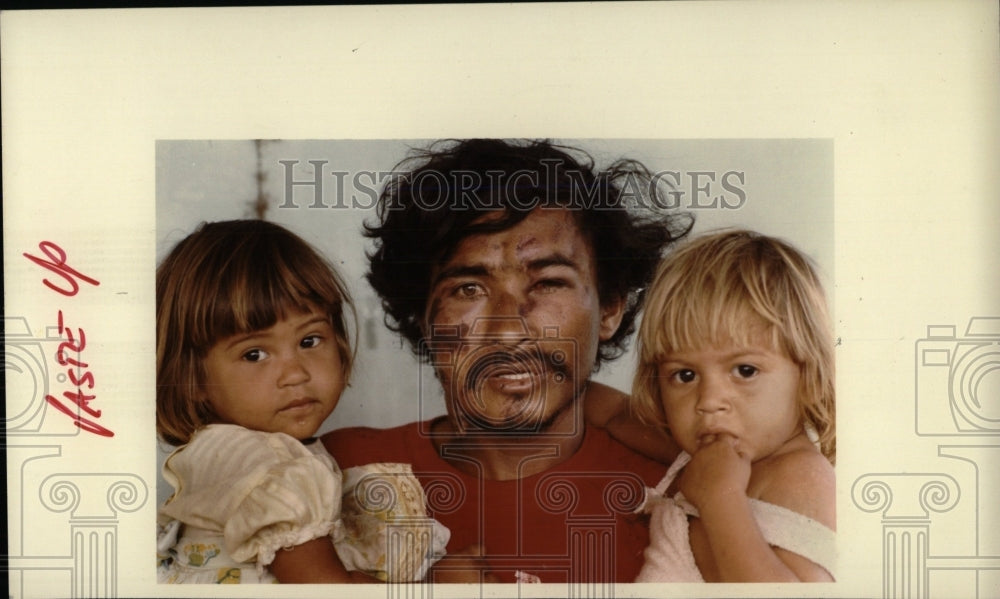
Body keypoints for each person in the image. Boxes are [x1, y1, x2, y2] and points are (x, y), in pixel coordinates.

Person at [321, 139, 693, 584]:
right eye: (468, 290)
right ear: (421, 317)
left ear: (610, 308)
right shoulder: (335, 475)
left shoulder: (681, 496)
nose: (507, 331)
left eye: (549, 283)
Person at [154, 219, 448, 584]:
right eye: (255, 354)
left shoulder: (238, 454)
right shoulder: (264, 464)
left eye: (309, 341)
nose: (295, 374)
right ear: (191, 377)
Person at [630, 229, 836, 582]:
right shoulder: (704, 454)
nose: (709, 402)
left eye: (745, 370)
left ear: (809, 378)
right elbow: (614, 414)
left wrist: (721, 500)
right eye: (685, 375)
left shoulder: (802, 476)